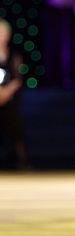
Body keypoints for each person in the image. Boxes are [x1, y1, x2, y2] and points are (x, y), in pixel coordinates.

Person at [0, 19, 29, 171]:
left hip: (9, 99)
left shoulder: (14, 55)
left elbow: (18, 78)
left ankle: (22, 162)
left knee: (16, 123)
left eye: (4, 34)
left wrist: (6, 92)